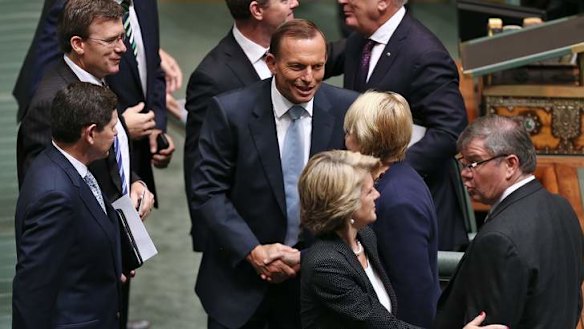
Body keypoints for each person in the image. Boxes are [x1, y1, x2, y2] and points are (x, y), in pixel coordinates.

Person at [189, 19, 359, 329]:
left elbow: (355, 197)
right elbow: (208, 192)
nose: (308, 78)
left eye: (317, 67)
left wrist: (308, 258)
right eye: (297, 67)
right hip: (239, 286)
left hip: (315, 288)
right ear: (272, 63)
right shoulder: (231, 113)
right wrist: (253, 251)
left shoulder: (347, 110)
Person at [15, 1, 155, 328]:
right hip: (79, 287)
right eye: (111, 41)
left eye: (122, 37)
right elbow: (48, 202)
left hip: (108, 256)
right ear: (78, 44)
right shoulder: (50, 105)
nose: (123, 48)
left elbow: (102, 153)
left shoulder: (98, 77)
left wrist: (134, 180)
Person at [298, 150, 508, 329]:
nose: (377, 196)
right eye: (369, 191)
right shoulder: (325, 265)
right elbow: (383, 325)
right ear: (346, 203)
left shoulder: (366, 237)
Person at [332, 0, 469, 251]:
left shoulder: (425, 54)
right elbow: (324, 57)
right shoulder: (361, 39)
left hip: (410, 210)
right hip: (369, 206)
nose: (342, 1)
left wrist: (388, 171)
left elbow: (450, 131)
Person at [435, 115, 584, 328]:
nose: (465, 174)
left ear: (510, 164)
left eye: (474, 163)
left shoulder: (497, 239)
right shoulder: (562, 208)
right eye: (464, 164)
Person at [184, 0, 298, 251]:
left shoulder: (295, 55)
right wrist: (242, 246)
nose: (295, 2)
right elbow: (201, 172)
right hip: (244, 241)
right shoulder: (213, 78)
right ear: (257, 10)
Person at [13, 82, 123, 329]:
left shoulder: (64, 164)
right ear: (90, 133)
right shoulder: (55, 197)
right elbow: (32, 290)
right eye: (113, 127)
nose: (116, 134)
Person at [343, 91, 439, 327]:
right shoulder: (390, 180)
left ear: (364, 138)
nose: (345, 138)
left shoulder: (399, 200)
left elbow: (414, 293)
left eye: (349, 131)